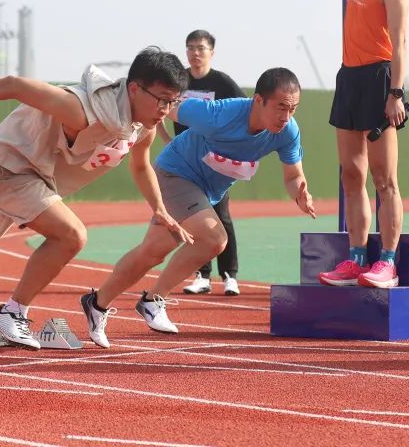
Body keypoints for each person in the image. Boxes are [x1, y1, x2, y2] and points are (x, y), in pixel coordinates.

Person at [0, 48, 194, 355]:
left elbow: (140, 166)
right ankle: (12, 312)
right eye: (162, 98)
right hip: (8, 164)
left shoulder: (140, 128)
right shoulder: (80, 109)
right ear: (135, 89)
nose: (166, 109)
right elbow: (15, 84)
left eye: (173, 100)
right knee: (71, 235)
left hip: (35, 175)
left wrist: (160, 210)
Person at [81, 68, 315, 347]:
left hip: (207, 192)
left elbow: (292, 176)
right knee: (214, 239)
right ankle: (153, 301)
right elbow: (168, 107)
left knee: (151, 253)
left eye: (293, 109)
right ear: (258, 100)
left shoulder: (287, 131)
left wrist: (300, 193)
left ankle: (97, 303)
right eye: (280, 107)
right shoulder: (219, 114)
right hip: (175, 173)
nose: (286, 116)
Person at [291, 0, 409, 289]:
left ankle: (388, 263)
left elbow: (401, 40)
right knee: (350, 174)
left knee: (384, 178)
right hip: (349, 77)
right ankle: (357, 258)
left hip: (379, 78)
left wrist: (396, 93)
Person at [161, 30, 247, 297]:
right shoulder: (179, 80)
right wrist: (167, 141)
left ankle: (229, 276)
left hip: (214, 163)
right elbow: (160, 109)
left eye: (200, 48)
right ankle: (202, 275)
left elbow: (244, 111)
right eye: (190, 48)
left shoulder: (223, 83)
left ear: (212, 52)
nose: (195, 53)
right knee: (195, 219)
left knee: (221, 217)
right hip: (184, 163)